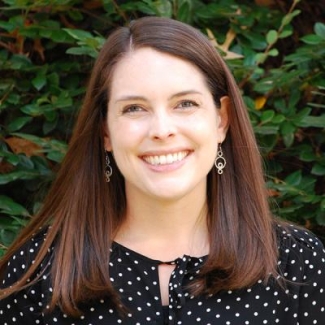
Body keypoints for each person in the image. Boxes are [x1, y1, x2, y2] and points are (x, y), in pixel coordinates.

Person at [0, 16, 324, 325]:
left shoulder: (297, 262)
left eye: (185, 104)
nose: (162, 130)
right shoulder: (37, 273)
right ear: (106, 132)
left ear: (221, 119)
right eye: (134, 108)